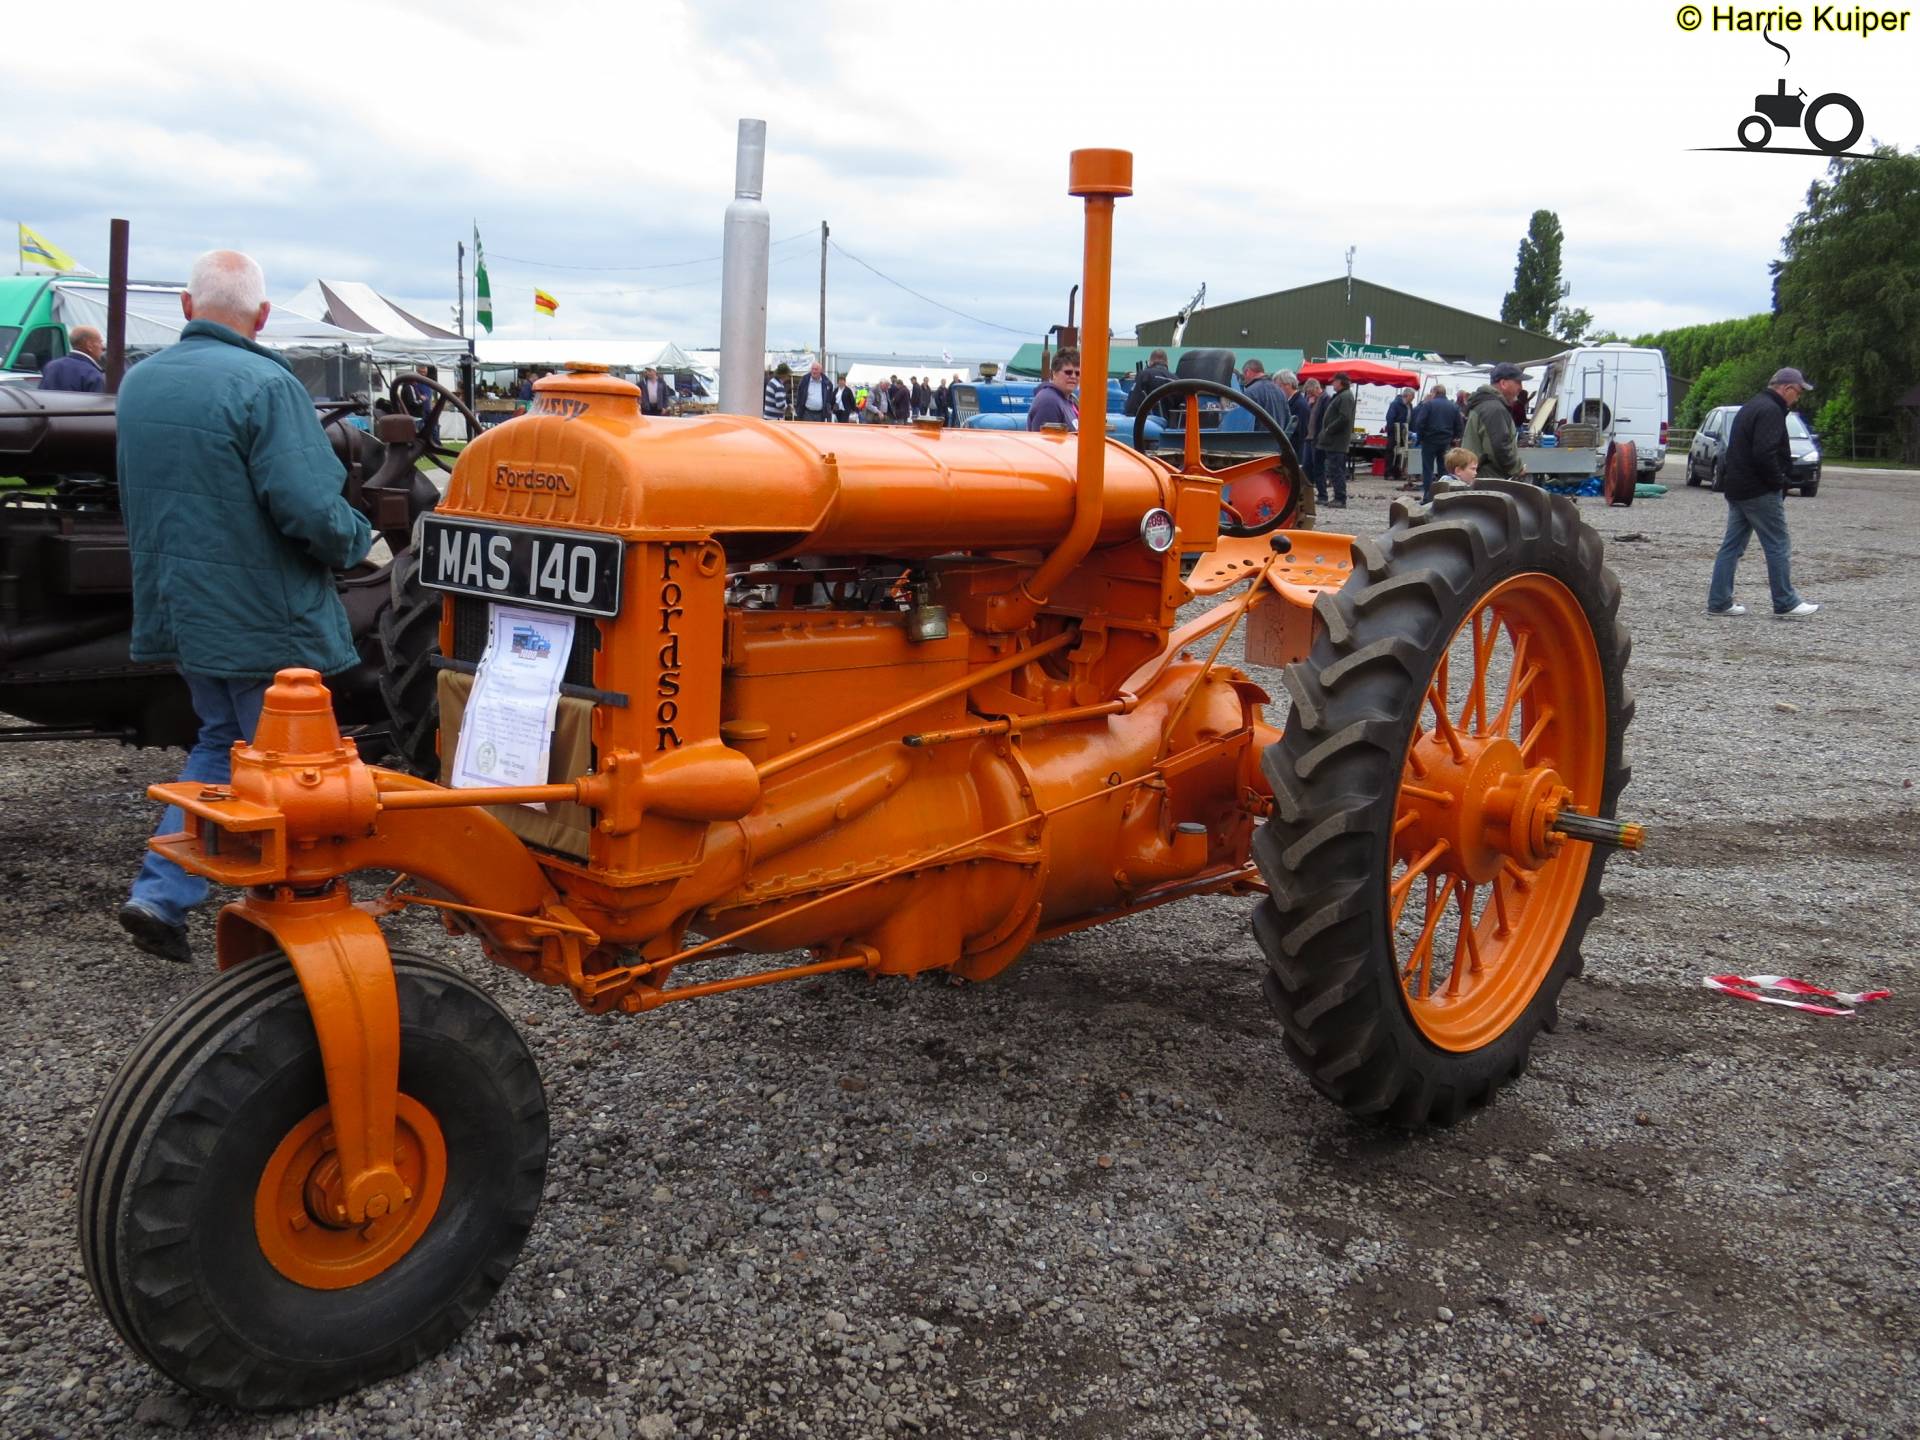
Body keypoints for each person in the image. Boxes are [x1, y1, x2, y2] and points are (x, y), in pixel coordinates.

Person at [114, 250, 373, 964]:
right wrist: (360, 541)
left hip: (182, 607)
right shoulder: (266, 382)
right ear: (262, 317)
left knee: (218, 742)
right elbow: (310, 508)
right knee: (289, 774)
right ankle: (290, 920)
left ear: (186, 307)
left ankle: (161, 895)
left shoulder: (139, 383)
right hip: (263, 615)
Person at [1707, 368, 1820, 619]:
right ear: (1787, 388)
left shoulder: (1751, 406)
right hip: (1758, 490)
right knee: (1778, 544)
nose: (1797, 398)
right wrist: (1778, 482)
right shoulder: (1771, 411)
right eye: (1798, 392)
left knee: (1732, 547)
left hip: (1737, 487)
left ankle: (1719, 601)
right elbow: (1764, 453)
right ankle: (1785, 601)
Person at [1460, 363, 1528, 480]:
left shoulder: (1487, 404)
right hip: (1489, 479)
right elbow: (1499, 447)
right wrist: (1517, 468)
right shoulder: (1494, 408)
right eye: (1518, 382)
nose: (1521, 387)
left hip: (1482, 476)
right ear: (1503, 383)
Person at [1412, 384, 1461, 502]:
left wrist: (1420, 437)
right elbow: (1459, 425)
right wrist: (1454, 437)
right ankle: (1442, 496)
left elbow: (1420, 422)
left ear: (1434, 392)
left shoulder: (1429, 405)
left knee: (1427, 469)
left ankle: (1428, 496)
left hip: (1429, 440)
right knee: (1443, 469)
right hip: (1445, 441)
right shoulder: (1453, 407)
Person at [1316, 372, 1356, 508]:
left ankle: (1340, 498)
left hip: (1337, 441)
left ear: (1340, 382)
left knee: (1337, 470)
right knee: (1334, 469)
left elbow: (1344, 417)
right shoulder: (1342, 396)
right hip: (1334, 440)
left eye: (1334, 381)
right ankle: (1338, 497)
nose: (1332, 384)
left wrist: (1329, 429)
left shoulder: (1345, 396)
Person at [39, 325, 106, 392]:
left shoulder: (51, 366)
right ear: (89, 345)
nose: (102, 347)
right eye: (100, 342)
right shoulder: (92, 374)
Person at [1026, 348, 1079, 431]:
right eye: (1068, 372)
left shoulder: (1071, 400)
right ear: (1054, 373)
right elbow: (1047, 442)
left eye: (1077, 373)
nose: (1073, 376)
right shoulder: (1048, 402)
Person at [1123, 348, 1175, 419]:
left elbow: (1132, 403)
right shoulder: (1176, 380)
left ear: (1150, 362)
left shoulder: (1144, 375)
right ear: (1167, 362)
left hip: (1148, 425)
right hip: (1172, 427)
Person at [1241, 359, 1287, 431]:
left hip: (1256, 440)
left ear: (1247, 372)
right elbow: (1287, 418)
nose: (1244, 380)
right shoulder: (1280, 391)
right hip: (1277, 440)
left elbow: (1244, 424)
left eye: (1244, 376)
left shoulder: (1250, 392)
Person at [1301, 378, 1326, 499]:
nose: (1309, 395)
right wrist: (1309, 405)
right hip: (1308, 438)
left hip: (1317, 439)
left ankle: (1322, 494)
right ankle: (1308, 493)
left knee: (1318, 467)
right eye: (1308, 393)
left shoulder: (1326, 399)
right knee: (1306, 466)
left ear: (1317, 388)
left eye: (1311, 392)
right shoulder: (1308, 400)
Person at [1383, 387, 1414, 483]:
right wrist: (1392, 431)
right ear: (1407, 395)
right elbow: (1390, 418)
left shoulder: (1409, 405)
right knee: (1391, 452)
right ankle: (1389, 473)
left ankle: (1397, 472)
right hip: (1394, 432)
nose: (1413, 398)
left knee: (1400, 454)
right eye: (1412, 396)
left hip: (1404, 433)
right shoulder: (1395, 404)